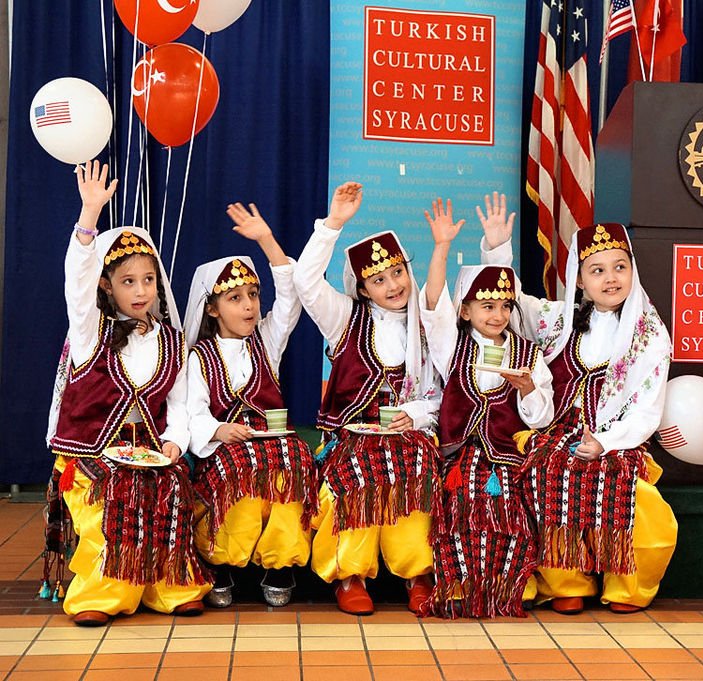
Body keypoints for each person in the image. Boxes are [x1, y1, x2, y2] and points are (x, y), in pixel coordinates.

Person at [480, 204, 677, 614]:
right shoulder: (557, 319)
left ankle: (628, 587)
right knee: (543, 474)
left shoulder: (650, 331)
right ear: (581, 281)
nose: (610, 278)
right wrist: (498, 248)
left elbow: (646, 407)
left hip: (615, 441)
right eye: (598, 270)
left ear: (632, 272)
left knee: (630, 491)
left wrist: (605, 443)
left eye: (619, 267)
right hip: (555, 434)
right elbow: (513, 302)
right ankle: (566, 580)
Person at [46, 161, 210, 626]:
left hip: (149, 451)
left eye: (149, 280)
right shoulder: (88, 329)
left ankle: (170, 587)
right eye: (128, 281)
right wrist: (88, 217)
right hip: (92, 453)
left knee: (171, 491)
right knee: (119, 496)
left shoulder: (171, 339)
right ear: (106, 284)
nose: (141, 291)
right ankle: (102, 592)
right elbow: (74, 282)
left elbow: (177, 402)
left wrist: (175, 440)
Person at [293, 182, 441, 615]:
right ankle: (350, 574)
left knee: (415, 469)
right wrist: (333, 223)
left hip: (410, 435)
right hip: (351, 439)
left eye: (397, 273)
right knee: (358, 472)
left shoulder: (429, 324)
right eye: (378, 279)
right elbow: (304, 280)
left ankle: (418, 573)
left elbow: (441, 393)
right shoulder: (344, 318)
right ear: (362, 288)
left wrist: (414, 414)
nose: (393, 284)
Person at [419, 198, 553, 617]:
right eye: (488, 306)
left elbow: (543, 415)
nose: (498, 314)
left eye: (505, 306)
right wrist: (441, 247)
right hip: (461, 457)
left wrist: (529, 389)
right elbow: (433, 305)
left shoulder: (528, 352)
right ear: (465, 310)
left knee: (509, 515)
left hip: (510, 459)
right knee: (462, 509)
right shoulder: (451, 345)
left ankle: (506, 587)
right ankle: (460, 586)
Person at [184, 203, 319, 608]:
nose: (249, 306)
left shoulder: (267, 340)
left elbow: (292, 295)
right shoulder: (199, 357)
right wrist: (220, 430)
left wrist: (266, 240)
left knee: (292, 460)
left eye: (254, 295)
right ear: (211, 308)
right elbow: (192, 413)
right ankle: (221, 561)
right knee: (240, 469)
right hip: (227, 451)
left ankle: (280, 563)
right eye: (236, 298)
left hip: (271, 446)